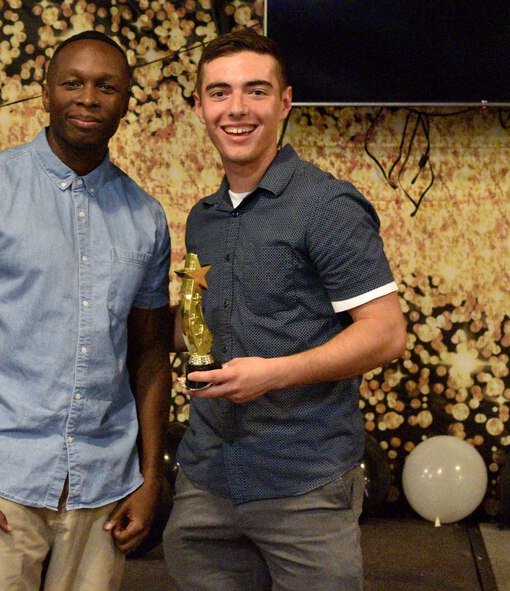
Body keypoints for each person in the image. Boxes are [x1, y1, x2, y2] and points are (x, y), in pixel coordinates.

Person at [0, 31, 172, 591]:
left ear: (126, 98)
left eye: (107, 86)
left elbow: (149, 352)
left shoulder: (145, 217)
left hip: (105, 487)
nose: (88, 98)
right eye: (72, 83)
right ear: (45, 93)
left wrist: (150, 479)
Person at [162, 29, 406, 591]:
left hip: (305, 488)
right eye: (219, 93)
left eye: (256, 91)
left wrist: (272, 374)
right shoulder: (204, 217)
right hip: (206, 482)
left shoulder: (327, 206)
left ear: (285, 101)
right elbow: (202, 323)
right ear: (199, 106)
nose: (237, 108)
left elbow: (386, 334)